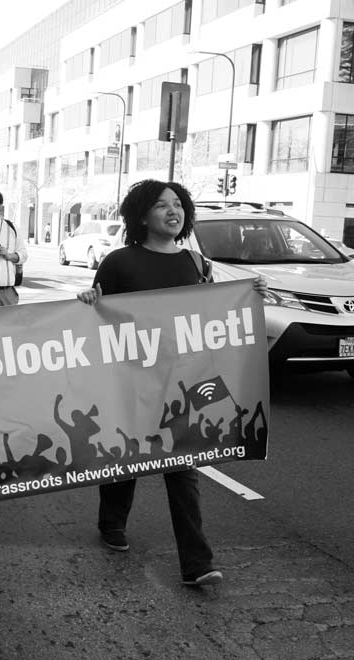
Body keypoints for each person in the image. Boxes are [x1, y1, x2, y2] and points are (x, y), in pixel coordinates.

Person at [76, 179, 267, 587]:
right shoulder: (119, 262)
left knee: (183, 469)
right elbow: (95, 318)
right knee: (126, 459)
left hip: (179, 385)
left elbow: (215, 315)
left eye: (178, 204)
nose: (172, 211)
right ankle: (112, 521)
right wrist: (88, 303)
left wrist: (251, 295)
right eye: (162, 205)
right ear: (142, 215)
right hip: (129, 382)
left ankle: (197, 564)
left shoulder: (196, 264)